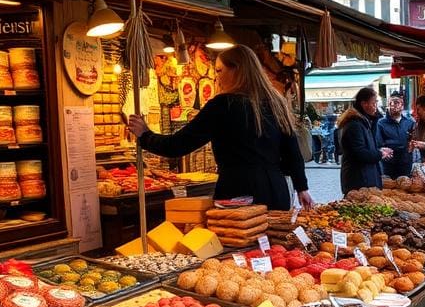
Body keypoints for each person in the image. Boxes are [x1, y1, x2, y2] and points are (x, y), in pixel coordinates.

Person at [127, 45, 313, 210]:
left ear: (236, 71)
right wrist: (302, 188)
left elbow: (178, 145)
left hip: (238, 193)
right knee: (274, 246)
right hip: (276, 191)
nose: (217, 77)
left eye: (219, 70)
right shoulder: (276, 103)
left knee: (238, 245)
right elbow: (293, 152)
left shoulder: (223, 105)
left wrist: (145, 135)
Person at [337, 87, 393, 194]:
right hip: (359, 181)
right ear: (364, 104)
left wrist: (379, 150)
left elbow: (367, 147)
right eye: (373, 103)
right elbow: (360, 153)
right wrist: (380, 154)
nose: (375, 107)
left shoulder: (364, 122)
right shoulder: (355, 125)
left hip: (365, 178)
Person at [376, 93, 414, 178]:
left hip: (405, 162)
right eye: (390, 103)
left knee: (405, 187)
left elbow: (413, 140)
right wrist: (383, 150)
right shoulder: (380, 123)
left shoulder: (410, 122)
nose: (393, 105)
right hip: (388, 164)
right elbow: (378, 144)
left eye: (396, 102)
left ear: (402, 105)